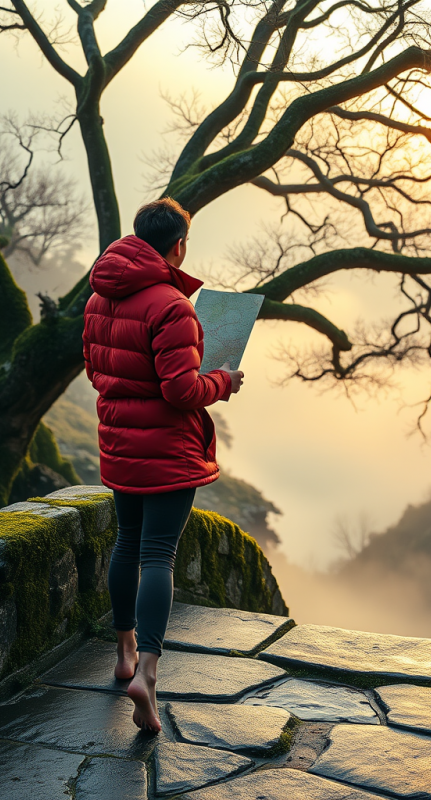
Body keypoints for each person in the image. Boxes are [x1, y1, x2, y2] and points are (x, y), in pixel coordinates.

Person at [82, 198, 244, 731]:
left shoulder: (99, 298)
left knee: (126, 543)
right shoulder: (172, 306)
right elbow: (181, 391)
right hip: (168, 451)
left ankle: (124, 652)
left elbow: (96, 371)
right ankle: (147, 674)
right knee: (158, 555)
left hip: (119, 444)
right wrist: (223, 381)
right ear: (178, 246)